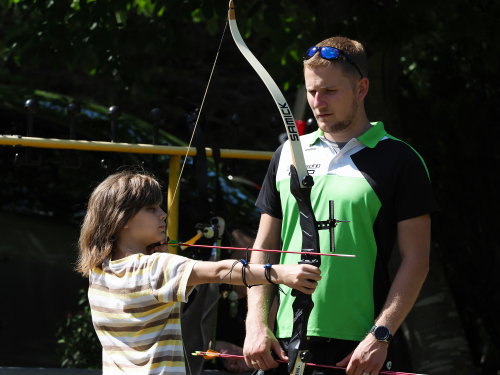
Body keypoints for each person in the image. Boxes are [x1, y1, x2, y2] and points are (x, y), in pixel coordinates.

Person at [243, 36, 439, 375]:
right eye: (311, 91)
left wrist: (381, 334)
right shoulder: (289, 153)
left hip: (359, 347)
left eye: (330, 91)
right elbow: (264, 246)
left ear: (361, 89)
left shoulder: (399, 159)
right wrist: (256, 324)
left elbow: (417, 258)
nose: (318, 102)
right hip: (285, 342)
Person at [75, 170, 322, 375]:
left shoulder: (99, 271)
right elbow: (220, 270)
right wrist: (279, 273)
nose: (163, 215)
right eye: (151, 209)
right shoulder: (155, 267)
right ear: (122, 218)